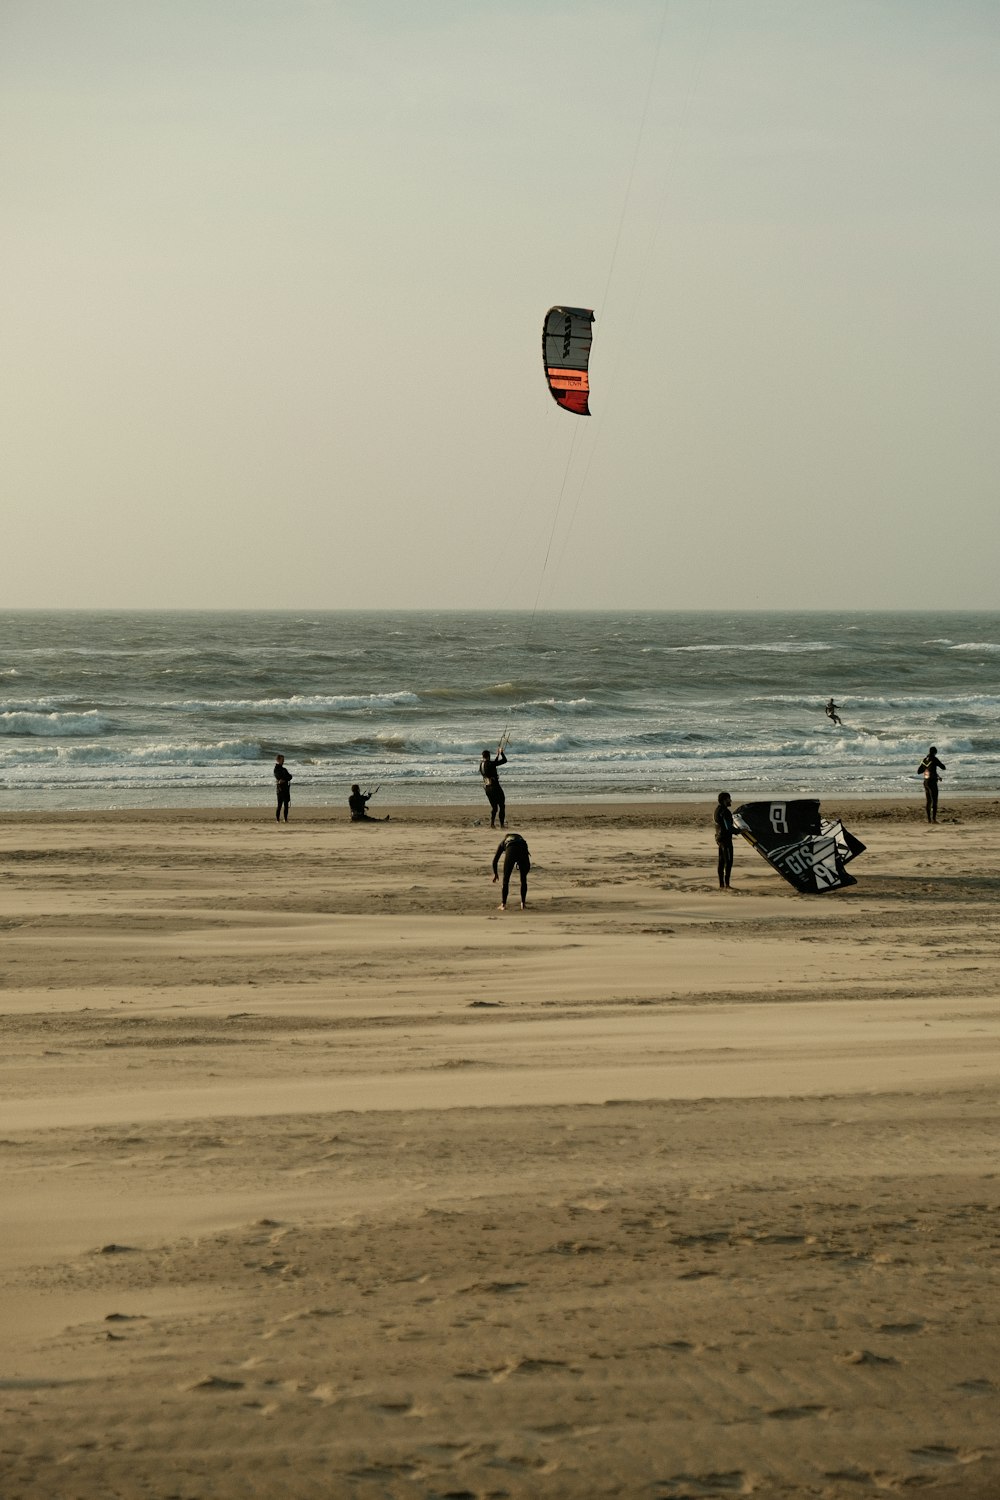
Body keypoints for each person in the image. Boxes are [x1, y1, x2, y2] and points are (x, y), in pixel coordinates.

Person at [492, 831, 530, 910]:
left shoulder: (504, 842)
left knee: (506, 880)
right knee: (523, 880)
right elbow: (527, 862)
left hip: (511, 850)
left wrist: (496, 874)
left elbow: (495, 860)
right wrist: (524, 872)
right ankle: (523, 904)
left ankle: (503, 904)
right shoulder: (522, 840)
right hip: (522, 849)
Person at [479, 744, 508, 829]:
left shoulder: (481, 765)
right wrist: (501, 753)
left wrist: (497, 756)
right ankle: (502, 825)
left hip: (487, 788)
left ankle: (492, 824)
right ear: (489, 756)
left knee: (494, 807)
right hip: (495, 787)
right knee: (502, 805)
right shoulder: (490, 763)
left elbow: (491, 766)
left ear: (483, 756)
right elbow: (504, 760)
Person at [918, 746, 946, 823]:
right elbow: (943, 767)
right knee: (934, 801)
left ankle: (929, 819)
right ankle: (934, 819)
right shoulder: (934, 759)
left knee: (928, 801)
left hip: (926, 782)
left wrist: (936, 775)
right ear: (935, 752)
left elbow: (919, 771)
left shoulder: (925, 760)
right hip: (932, 782)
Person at [714, 790, 735, 889]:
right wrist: (740, 831)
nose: (730, 800)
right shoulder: (725, 812)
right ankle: (727, 884)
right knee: (728, 861)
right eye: (729, 799)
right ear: (724, 800)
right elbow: (728, 828)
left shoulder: (717, 810)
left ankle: (721, 884)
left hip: (718, 838)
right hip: (725, 838)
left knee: (721, 861)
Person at [273, 754, 292, 822]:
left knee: (286, 805)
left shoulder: (284, 769)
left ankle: (285, 819)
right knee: (279, 805)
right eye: (282, 760)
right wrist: (284, 779)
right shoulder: (276, 769)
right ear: (278, 760)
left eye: (283, 760)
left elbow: (290, 776)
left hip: (286, 789)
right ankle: (277, 820)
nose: (283, 761)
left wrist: (284, 779)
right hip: (280, 789)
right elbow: (278, 777)